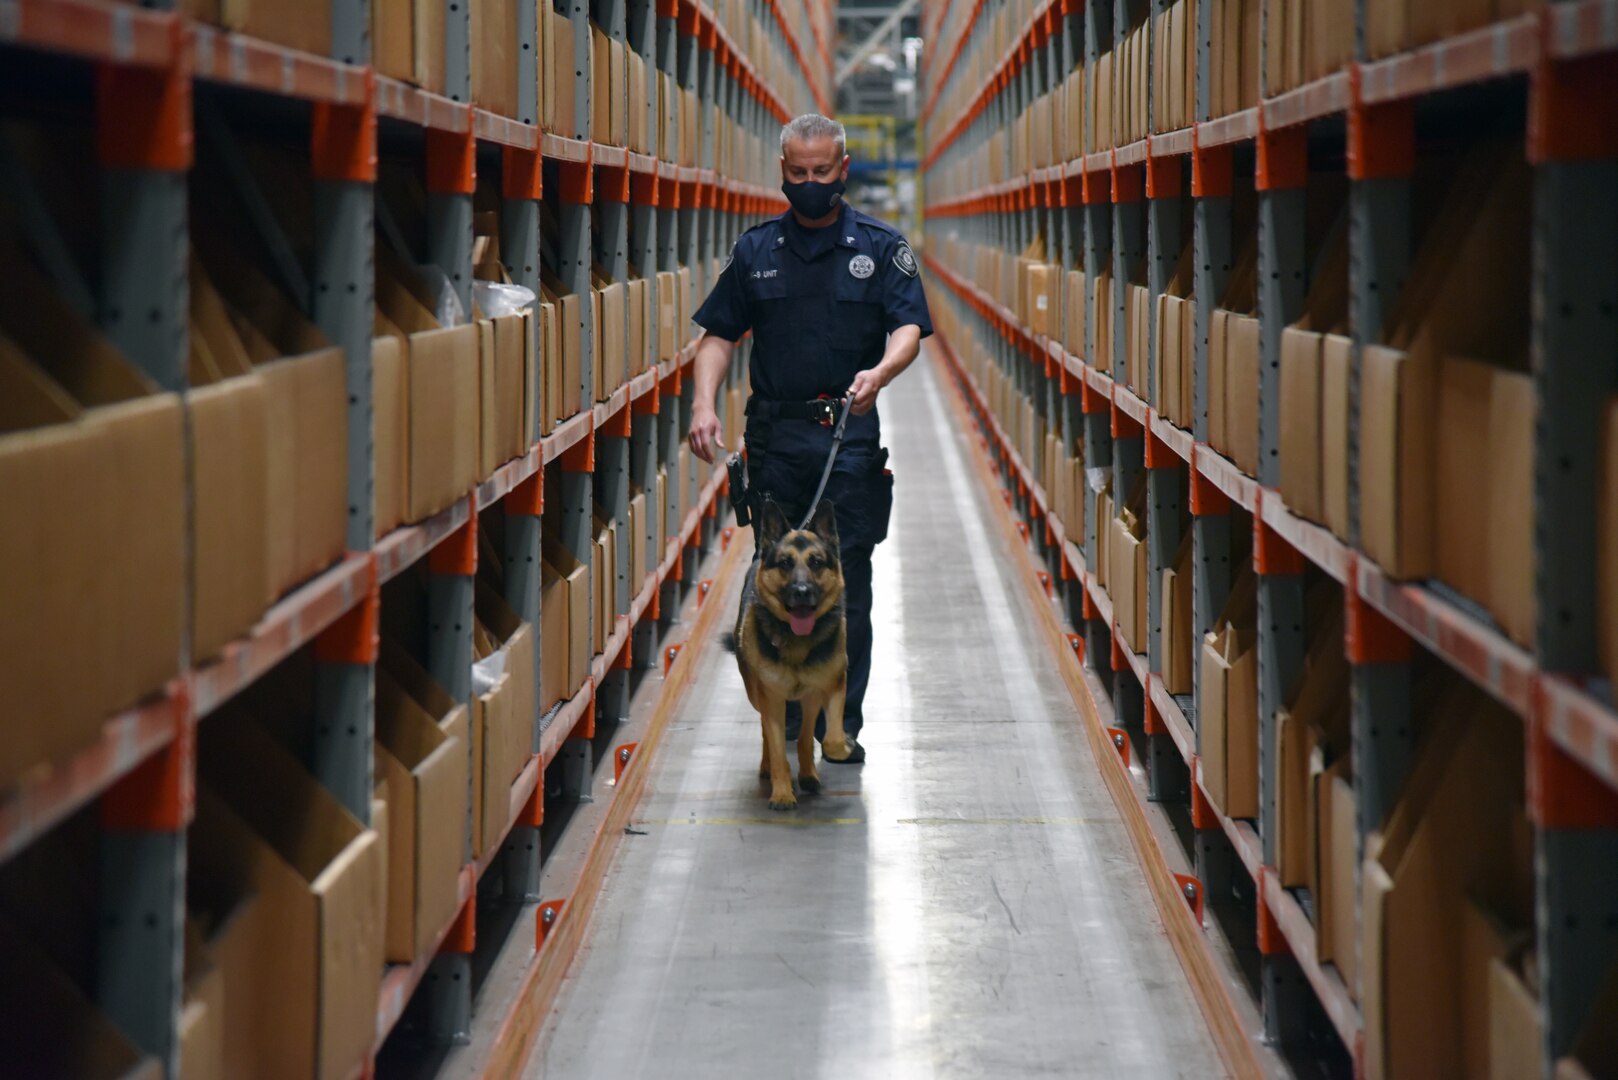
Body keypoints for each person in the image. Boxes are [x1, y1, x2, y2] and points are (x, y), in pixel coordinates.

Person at [688, 113, 932, 764]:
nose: (810, 182)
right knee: (777, 579)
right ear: (783, 172)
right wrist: (702, 403)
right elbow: (717, 335)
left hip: (846, 432)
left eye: (821, 172)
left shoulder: (879, 247)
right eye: (798, 173)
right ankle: (786, 716)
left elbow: (909, 326)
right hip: (774, 438)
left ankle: (837, 725)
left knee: (846, 578)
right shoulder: (757, 252)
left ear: (843, 170)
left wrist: (880, 372)